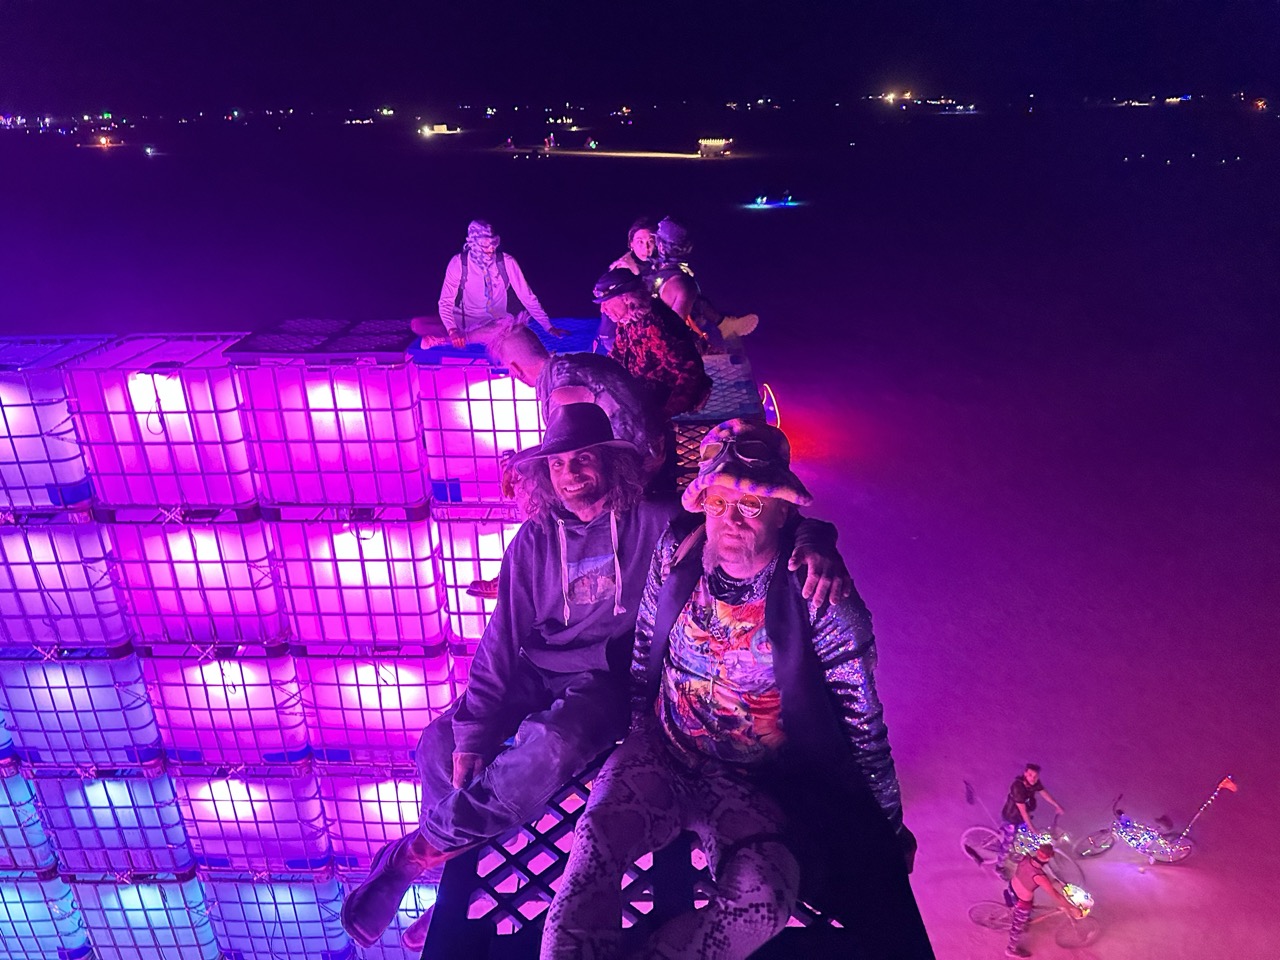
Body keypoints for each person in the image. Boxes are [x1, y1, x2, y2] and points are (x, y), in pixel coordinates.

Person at [340, 404, 851, 952]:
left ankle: (417, 853)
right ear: (544, 475)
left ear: (610, 464)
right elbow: (499, 641)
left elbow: (754, 518)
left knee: (552, 746)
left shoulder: (656, 521)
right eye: (558, 463)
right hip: (538, 669)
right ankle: (446, 878)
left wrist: (817, 541)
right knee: (439, 744)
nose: (571, 472)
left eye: (584, 458)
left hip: (606, 680)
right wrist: (474, 732)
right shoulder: (532, 543)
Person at [541, 419, 934, 960]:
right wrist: (637, 733)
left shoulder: (819, 595)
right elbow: (644, 649)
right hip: (663, 749)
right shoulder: (678, 550)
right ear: (702, 503)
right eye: (719, 502)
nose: (731, 520)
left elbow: (863, 723)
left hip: (753, 779)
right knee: (590, 853)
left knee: (763, 900)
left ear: (783, 511)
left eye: (751, 505)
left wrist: (886, 827)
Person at [415, 219, 565, 385]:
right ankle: (442, 339)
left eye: (493, 244)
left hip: (502, 323)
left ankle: (442, 340)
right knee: (419, 325)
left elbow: (527, 297)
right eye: (485, 245)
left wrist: (548, 326)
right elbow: (445, 302)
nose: (491, 249)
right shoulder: (458, 264)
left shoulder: (507, 262)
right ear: (473, 243)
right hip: (468, 322)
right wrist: (452, 330)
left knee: (521, 353)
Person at [593, 268, 712, 419]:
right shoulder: (628, 320)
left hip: (664, 405)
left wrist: (665, 414)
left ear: (626, 298)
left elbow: (690, 371)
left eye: (606, 303)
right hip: (640, 395)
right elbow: (617, 354)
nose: (603, 310)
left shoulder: (655, 326)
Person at [647, 216, 758, 352]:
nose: (649, 245)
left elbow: (674, 331)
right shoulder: (679, 279)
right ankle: (724, 324)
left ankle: (723, 325)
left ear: (661, 246)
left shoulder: (675, 281)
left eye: (654, 241)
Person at [1004, 843, 1084, 958]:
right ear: (1049, 857)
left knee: (1025, 912)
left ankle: (1022, 919)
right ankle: (1011, 949)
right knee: (1018, 927)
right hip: (1022, 903)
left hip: (1011, 889)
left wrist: (1059, 883)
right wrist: (1072, 907)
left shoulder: (1025, 858)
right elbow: (1056, 896)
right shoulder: (1040, 877)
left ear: (1037, 852)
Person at [599, 217, 660, 352]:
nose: (646, 247)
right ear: (631, 244)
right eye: (640, 242)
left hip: (632, 331)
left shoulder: (652, 266)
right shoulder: (623, 270)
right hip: (617, 334)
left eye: (650, 241)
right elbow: (618, 310)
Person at [997, 764, 1065, 868]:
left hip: (1021, 816)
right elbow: (1022, 811)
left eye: (1035, 776)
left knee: (1027, 836)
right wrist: (1032, 828)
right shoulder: (1018, 788)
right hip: (1012, 817)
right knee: (1007, 844)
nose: (1033, 778)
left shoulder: (1033, 783)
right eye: (1030, 775)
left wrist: (1057, 805)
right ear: (1025, 774)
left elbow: (1044, 793)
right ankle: (999, 865)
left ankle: (1018, 849)